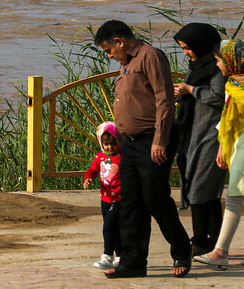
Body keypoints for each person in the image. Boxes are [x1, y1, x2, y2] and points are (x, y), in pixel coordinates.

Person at [93, 20, 191, 278]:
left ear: (119, 41)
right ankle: (133, 262)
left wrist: (160, 139)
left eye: (109, 51)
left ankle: (182, 250)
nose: (110, 56)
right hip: (131, 144)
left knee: (155, 199)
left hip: (153, 140)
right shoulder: (126, 65)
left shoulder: (150, 56)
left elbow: (164, 99)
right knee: (131, 203)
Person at [194, 40, 244, 269]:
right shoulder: (233, 84)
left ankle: (220, 252)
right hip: (238, 145)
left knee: (233, 198)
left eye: (219, 60)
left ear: (232, 61)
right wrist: (222, 146)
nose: (218, 64)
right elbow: (227, 118)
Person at [173, 23, 227, 257]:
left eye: (187, 47)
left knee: (198, 188)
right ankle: (213, 239)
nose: (186, 52)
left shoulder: (215, 69)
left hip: (209, 136)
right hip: (194, 134)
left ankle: (200, 240)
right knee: (204, 190)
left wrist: (190, 90)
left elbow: (217, 97)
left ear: (200, 45)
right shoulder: (198, 67)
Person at [83, 121, 122, 271]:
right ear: (101, 143)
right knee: (113, 227)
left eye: (113, 144)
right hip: (104, 198)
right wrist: (88, 178)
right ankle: (119, 256)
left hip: (118, 199)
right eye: (106, 144)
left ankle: (107, 256)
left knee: (108, 227)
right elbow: (92, 170)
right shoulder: (100, 157)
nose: (109, 147)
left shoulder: (122, 157)